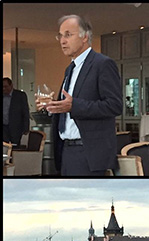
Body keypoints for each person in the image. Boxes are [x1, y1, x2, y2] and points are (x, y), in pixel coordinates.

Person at [36, 15, 122, 176]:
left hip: (89, 153)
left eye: (68, 35)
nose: (62, 41)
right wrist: (53, 107)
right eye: (60, 35)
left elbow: (114, 105)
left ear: (85, 37)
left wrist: (73, 105)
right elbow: (69, 107)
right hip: (66, 151)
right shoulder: (70, 69)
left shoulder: (102, 64)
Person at [3, 77, 30, 145]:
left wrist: (26, 128)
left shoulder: (20, 95)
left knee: (15, 146)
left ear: (11, 85)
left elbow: (25, 112)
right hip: (4, 127)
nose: (4, 89)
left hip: (16, 127)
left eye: (6, 86)